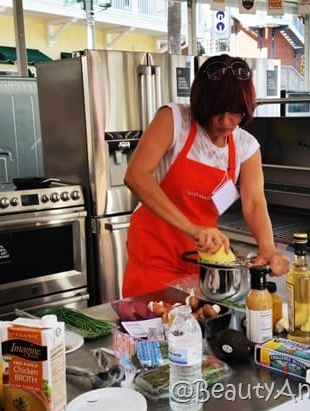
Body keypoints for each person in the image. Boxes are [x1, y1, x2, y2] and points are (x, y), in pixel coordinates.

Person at [122, 54, 290, 298]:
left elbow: (254, 202)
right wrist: (193, 229)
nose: (225, 121)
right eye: (216, 112)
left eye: (235, 112)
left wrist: (268, 248)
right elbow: (136, 175)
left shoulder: (245, 145)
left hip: (205, 263)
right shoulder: (174, 120)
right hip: (154, 258)